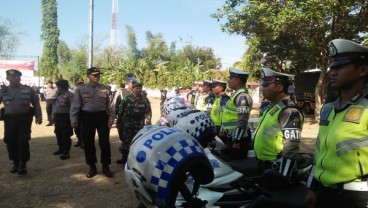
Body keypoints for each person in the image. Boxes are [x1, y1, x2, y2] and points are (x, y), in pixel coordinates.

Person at [305, 39, 368, 208]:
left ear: (362, 70)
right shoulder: (329, 108)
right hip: (324, 193)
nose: (333, 72)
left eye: (340, 67)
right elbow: (319, 151)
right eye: (332, 67)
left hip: (357, 197)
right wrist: (312, 187)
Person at [253, 68, 304, 181]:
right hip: (264, 165)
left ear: (280, 87)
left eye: (266, 85)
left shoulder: (289, 110)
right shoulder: (271, 108)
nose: (262, 88)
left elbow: (291, 146)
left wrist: (284, 175)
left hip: (277, 168)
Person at [70, 67, 115, 178]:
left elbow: (111, 105)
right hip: (87, 117)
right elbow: (75, 105)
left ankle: (106, 166)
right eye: (94, 75)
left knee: (104, 142)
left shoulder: (106, 89)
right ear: (88, 76)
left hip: (102, 117)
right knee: (88, 143)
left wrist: (111, 118)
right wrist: (74, 118)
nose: (97, 77)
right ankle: (92, 166)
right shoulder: (81, 89)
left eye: (98, 75)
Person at [0, 69, 42, 175]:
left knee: (23, 141)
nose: (16, 78)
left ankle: (23, 164)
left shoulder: (28, 90)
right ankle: (15, 163)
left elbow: (36, 103)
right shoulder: (3, 90)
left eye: (18, 76)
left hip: (24, 119)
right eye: (13, 77)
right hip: (9, 119)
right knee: (10, 140)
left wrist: (38, 116)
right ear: (7, 78)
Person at [219, 68, 253, 159]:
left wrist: (237, 140)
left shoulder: (242, 97)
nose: (228, 81)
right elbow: (228, 114)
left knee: (237, 164)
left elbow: (242, 120)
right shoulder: (235, 95)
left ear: (237, 80)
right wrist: (223, 129)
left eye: (230, 78)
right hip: (231, 136)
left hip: (239, 138)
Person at [116, 82, 152, 165]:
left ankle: (136, 159)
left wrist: (148, 121)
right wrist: (119, 122)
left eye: (140, 88)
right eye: (137, 88)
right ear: (133, 89)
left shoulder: (145, 99)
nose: (139, 90)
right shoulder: (127, 99)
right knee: (126, 141)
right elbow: (121, 111)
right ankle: (124, 159)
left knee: (138, 141)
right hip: (127, 124)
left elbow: (148, 111)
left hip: (139, 124)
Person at [52, 80, 74, 160]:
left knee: (65, 134)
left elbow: (73, 107)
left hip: (66, 117)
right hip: (58, 117)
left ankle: (66, 152)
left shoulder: (70, 95)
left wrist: (72, 119)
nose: (57, 88)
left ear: (61, 87)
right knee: (58, 133)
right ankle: (61, 148)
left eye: (57, 87)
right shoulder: (59, 95)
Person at [73, 78, 84, 148]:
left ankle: (83, 141)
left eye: (81, 84)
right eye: (79, 84)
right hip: (76, 112)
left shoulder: (85, 91)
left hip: (83, 111)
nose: (80, 85)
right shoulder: (73, 91)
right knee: (76, 127)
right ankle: (79, 140)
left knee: (83, 127)